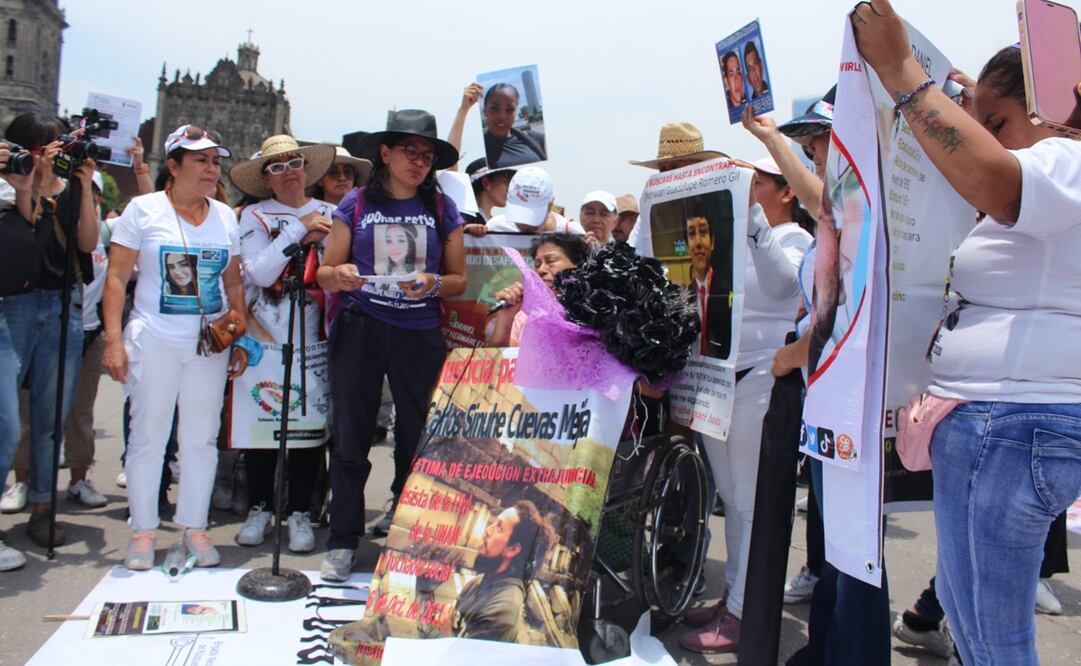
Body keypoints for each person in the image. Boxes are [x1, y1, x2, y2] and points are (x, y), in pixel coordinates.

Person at [855, 1, 1081, 662]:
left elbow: (995, 179)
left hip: (1008, 426)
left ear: (1047, 111)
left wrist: (902, 70)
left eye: (997, 122)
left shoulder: (1065, 160)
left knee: (991, 641)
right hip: (1007, 426)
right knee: (971, 615)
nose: (985, 137)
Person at [315, 109, 466, 581]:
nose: (419, 162)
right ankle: (343, 539)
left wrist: (433, 283)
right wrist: (339, 274)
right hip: (361, 326)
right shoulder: (356, 202)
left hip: (418, 332)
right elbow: (325, 272)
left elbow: (459, 280)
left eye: (427, 156)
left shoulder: (442, 207)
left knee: (418, 436)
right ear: (385, 153)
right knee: (351, 435)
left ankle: (411, 532)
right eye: (410, 152)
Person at [102, 125, 248, 571]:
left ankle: (195, 527)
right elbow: (116, 278)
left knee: (201, 437)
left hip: (209, 344)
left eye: (215, 162)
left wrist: (237, 334)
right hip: (156, 336)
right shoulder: (143, 210)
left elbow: (234, 282)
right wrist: (113, 341)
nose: (211, 169)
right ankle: (143, 530)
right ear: (173, 165)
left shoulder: (225, 217)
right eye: (200, 160)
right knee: (149, 433)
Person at [679, 162, 810, 655]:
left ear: (787, 191)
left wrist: (752, 215)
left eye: (758, 182)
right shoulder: (729, 237)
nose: (747, 188)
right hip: (718, 375)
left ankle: (742, 610)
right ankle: (735, 597)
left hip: (760, 376)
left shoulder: (795, 237)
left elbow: (783, 287)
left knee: (751, 502)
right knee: (733, 501)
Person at [228, 133, 337, 553]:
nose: (288, 172)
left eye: (294, 163)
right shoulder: (253, 216)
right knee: (263, 426)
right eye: (277, 167)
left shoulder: (332, 213)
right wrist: (299, 229)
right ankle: (259, 507)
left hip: (315, 338)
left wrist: (314, 235)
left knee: (307, 430)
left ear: (307, 169)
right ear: (266, 178)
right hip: (264, 337)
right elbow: (258, 272)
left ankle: (300, 512)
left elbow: (337, 266)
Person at [0, 113, 99, 551]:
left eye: (59, 146)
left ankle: (43, 507)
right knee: (6, 419)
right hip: (13, 305)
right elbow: (25, 236)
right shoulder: (8, 187)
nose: (52, 155)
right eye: (44, 148)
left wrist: (84, 186)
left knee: (50, 419)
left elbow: (88, 244)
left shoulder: (71, 187)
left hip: (63, 304)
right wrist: (30, 185)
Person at [453, 500, 555, 642]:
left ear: (512, 549)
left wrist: (445, 632)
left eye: (499, 527)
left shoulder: (504, 611)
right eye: (494, 523)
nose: (488, 530)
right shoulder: (477, 582)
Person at [488, 233, 590, 347]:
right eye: (537, 265)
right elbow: (498, 357)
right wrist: (506, 319)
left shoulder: (595, 312)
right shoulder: (524, 317)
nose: (541, 270)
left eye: (550, 261)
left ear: (578, 266)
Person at [485, 167, 582, 235]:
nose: (525, 225)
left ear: (550, 205)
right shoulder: (496, 227)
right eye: (519, 214)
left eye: (533, 218)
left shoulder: (573, 233)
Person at [482, 83, 547, 168]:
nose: (502, 116)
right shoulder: (479, 151)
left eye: (509, 109)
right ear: (485, 111)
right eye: (495, 108)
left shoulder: (537, 139)